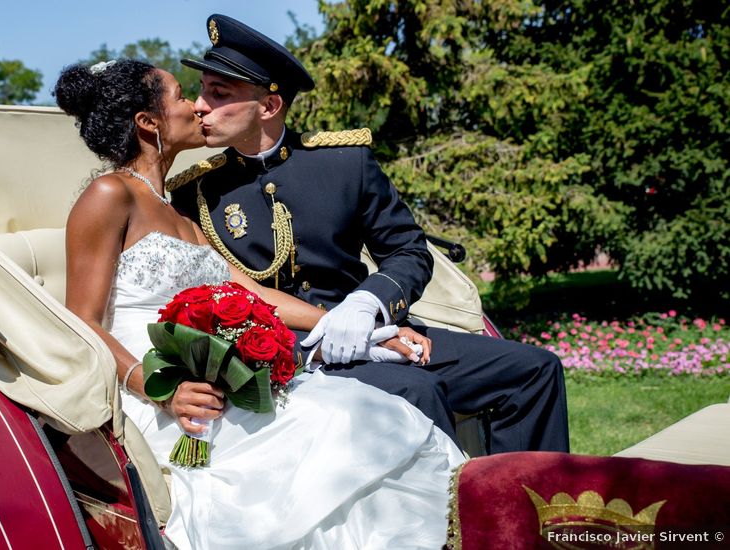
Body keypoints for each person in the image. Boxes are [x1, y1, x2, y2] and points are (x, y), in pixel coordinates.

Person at [55, 59, 464, 550]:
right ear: (148, 122)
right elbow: (81, 320)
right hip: (158, 386)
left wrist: (362, 327)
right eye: (182, 96)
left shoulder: (177, 211)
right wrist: (161, 389)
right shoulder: (109, 194)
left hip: (218, 373)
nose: (197, 104)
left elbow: (247, 292)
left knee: (369, 416)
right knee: (343, 424)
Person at [170, 14, 569, 453]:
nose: (200, 104)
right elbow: (214, 296)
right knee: (416, 390)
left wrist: (368, 303)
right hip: (290, 351)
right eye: (204, 89)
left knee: (535, 370)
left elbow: (408, 250)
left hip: (374, 329)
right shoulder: (198, 193)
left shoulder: (345, 164)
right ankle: (456, 516)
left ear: (268, 106)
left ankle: (522, 510)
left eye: (218, 92)